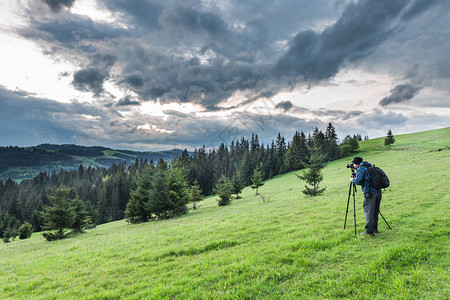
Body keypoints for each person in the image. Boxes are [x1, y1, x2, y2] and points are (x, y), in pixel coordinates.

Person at [350, 157, 382, 237]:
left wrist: (352, 180)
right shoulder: (370, 166)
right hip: (378, 192)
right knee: (375, 212)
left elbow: (358, 181)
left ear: (356, 164)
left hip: (370, 194)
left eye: (353, 164)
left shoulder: (361, 169)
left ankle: (369, 231)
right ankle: (375, 229)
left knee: (369, 213)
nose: (353, 165)